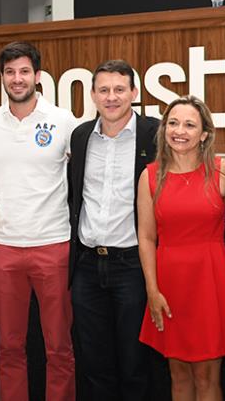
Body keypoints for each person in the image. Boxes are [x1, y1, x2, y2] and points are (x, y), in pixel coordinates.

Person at [0, 41, 77, 401]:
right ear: (1, 77)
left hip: (53, 245)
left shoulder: (64, 121)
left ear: (37, 76)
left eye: (23, 71)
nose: (16, 79)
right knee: (8, 346)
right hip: (2, 247)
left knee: (59, 347)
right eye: (9, 72)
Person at [138, 95, 225, 401]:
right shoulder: (149, 176)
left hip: (210, 284)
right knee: (177, 377)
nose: (180, 131)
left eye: (190, 124)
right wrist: (152, 290)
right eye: (173, 123)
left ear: (204, 133)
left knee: (206, 378)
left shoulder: (223, 170)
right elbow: (147, 237)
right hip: (169, 286)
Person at [68, 59, 159, 401]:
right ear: (92, 95)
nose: (111, 97)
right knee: (94, 365)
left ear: (134, 93)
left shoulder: (155, 133)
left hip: (133, 266)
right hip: (88, 267)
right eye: (103, 90)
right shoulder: (80, 136)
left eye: (119, 89)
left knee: (135, 364)